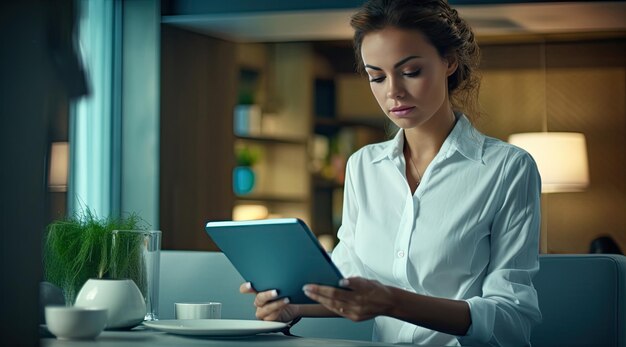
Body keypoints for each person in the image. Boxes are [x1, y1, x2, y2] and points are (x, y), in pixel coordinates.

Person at [241, 0, 542, 345]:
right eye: (377, 76)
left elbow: (511, 319)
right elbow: (348, 282)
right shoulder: (363, 166)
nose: (393, 92)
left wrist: (394, 301)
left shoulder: (508, 168)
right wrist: (292, 305)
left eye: (410, 71)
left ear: (449, 61)